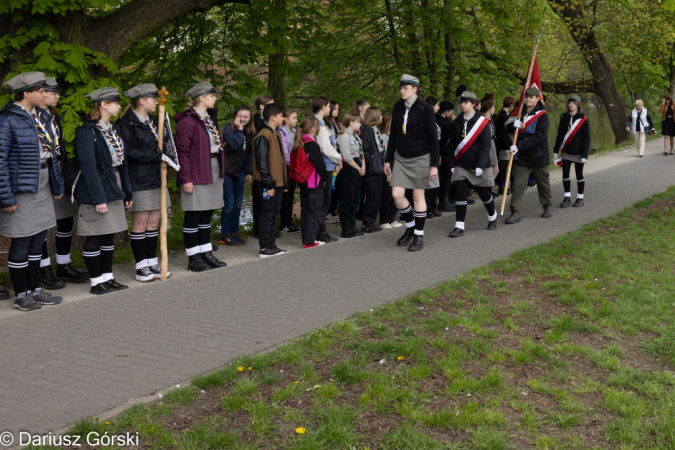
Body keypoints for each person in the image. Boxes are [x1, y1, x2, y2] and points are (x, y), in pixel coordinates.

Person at [0, 71, 65, 310]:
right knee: (22, 239)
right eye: (40, 91)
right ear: (25, 93)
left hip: (42, 181)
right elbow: (1, 160)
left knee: (38, 239)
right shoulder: (8, 119)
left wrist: (56, 184)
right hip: (21, 187)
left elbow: (51, 154)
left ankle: (34, 289)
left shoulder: (41, 117)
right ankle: (21, 295)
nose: (45, 94)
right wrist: (5, 196)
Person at [73, 87, 133, 295]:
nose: (119, 105)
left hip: (113, 183)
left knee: (108, 235)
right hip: (96, 187)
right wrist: (98, 198)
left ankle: (108, 277)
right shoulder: (86, 132)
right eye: (114, 102)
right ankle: (96, 282)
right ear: (103, 105)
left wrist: (127, 192)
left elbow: (122, 163)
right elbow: (88, 167)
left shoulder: (112, 129)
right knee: (95, 235)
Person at [37, 77, 88, 288]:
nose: (57, 96)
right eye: (52, 92)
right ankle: (42, 267)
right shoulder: (30, 117)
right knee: (39, 223)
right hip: (39, 172)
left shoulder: (54, 116)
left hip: (57, 170)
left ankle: (63, 264)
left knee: (66, 219)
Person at [117, 83, 169, 282]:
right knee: (140, 223)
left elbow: (166, 143)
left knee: (154, 223)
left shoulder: (158, 120)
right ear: (141, 101)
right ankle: (141, 266)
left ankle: (151, 261)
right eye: (152, 99)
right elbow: (128, 152)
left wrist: (166, 155)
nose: (156, 102)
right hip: (139, 178)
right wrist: (154, 155)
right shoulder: (126, 124)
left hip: (158, 177)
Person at [384, 74, 440, 252]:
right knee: (397, 195)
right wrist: (388, 160)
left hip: (421, 157)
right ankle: (410, 226)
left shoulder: (425, 108)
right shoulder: (397, 107)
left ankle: (419, 234)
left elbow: (433, 138)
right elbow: (393, 135)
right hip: (401, 157)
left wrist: (433, 165)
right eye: (401, 88)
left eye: (405, 88)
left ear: (415, 89)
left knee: (417, 196)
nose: (402, 90)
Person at [175, 81, 227, 272]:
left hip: (212, 167)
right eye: (212, 95)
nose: (215, 99)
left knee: (207, 213)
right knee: (194, 214)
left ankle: (206, 253)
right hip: (197, 171)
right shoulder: (187, 122)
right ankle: (193, 258)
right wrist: (186, 178)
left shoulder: (209, 119)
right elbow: (182, 152)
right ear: (202, 98)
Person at [447, 91, 497, 237]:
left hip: (479, 165)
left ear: (474, 104)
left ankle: (492, 216)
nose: (463, 104)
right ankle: (459, 226)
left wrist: (481, 166)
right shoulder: (456, 122)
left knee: (484, 195)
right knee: (460, 194)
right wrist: (451, 163)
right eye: (462, 101)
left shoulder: (483, 122)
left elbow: (485, 146)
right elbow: (452, 145)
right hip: (461, 164)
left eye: (467, 102)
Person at [505, 87, 552, 224]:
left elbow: (539, 137)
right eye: (527, 97)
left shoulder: (543, 116)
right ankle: (515, 211)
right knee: (518, 184)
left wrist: (518, 146)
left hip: (538, 156)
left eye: (531, 97)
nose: (528, 99)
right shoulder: (520, 113)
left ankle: (546, 205)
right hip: (522, 158)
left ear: (537, 99)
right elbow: (507, 129)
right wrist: (513, 125)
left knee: (543, 182)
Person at [252, 103, 288, 258]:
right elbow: (263, 163)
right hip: (268, 183)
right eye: (281, 116)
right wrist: (269, 184)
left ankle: (271, 244)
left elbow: (279, 161)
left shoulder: (275, 134)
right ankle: (265, 247)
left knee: (273, 213)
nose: (283, 118)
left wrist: (284, 183)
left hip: (277, 183)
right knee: (267, 214)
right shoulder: (263, 136)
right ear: (273, 118)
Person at [220, 105, 254, 246]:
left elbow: (249, 154)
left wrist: (249, 171)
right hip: (228, 171)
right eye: (240, 116)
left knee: (238, 204)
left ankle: (235, 233)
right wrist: (239, 129)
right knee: (228, 204)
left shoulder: (250, 132)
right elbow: (234, 145)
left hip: (240, 171)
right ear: (235, 116)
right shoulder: (229, 128)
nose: (243, 119)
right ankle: (225, 234)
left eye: (246, 117)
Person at [294, 117, 329, 248]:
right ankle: (309, 241)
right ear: (313, 129)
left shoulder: (300, 142)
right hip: (314, 183)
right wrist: (325, 178)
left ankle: (307, 239)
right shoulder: (312, 145)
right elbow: (320, 165)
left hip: (304, 182)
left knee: (306, 211)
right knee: (314, 212)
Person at [313, 96, 342, 243]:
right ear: (323, 107)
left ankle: (320, 230)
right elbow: (326, 147)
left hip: (325, 164)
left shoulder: (319, 123)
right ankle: (320, 232)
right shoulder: (319, 124)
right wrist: (338, 158)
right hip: (325, 165)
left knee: (324, 199)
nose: (330, 109)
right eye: (329, 106)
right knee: (324, 200)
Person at [552, 95, 591, 208]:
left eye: (573, 103)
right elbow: (560, 135)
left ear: (578, 104)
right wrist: (555, 150)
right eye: (569, 102)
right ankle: (567, 197)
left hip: (579, 152)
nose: (571, 105)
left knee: (579, 175)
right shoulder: (564, 117)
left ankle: (580, 198)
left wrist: (585, 154)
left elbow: (587, 138)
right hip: (567, 152)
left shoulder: (583, 119)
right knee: (565, 175)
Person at [336, 113, 365, 237]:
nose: (360, 124)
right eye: (358, 122)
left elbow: (361, 152)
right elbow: (347, 157)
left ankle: (352, 226)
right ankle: (346, 228)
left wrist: (363, 165)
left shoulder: (356, 137)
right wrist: (358, 167)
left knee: (356, 200)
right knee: (347, 200)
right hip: (349, 169)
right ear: (352, 122)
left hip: (357, 167)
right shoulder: (343, 136)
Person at [360, 107, 386, 233]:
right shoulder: (368, 132)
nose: (382, 118)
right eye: (380, 115)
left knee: (377, 197)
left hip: (378, 167)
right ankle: (367, 223)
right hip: (372, 169)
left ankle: (371, 221)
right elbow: (365, 150)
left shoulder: (375, 131)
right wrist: (370, 163)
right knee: (372, 197)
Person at [279, 108, 299, 234]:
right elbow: (285, 152)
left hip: (294, 168)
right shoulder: (282, 133)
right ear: (286, 119)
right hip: (287, 167)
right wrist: (291, 165)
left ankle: (289, 222)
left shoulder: (294, 132)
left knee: (291, 195)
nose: (296, 120)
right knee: (286, 196)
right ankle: (284, 223)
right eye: (294, 118)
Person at [378, 112, 400, 228]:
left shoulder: (397, 135)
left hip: (398, 164)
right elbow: (384, 155)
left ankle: (392, 217)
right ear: (387, 123)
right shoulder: (382, 137)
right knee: (386, 195)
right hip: (388, 165)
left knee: (396, 194)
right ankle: (384, 220)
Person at [494, 97, 515, 196]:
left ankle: (504, 186)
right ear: (511, 105)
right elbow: (502, 134)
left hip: (505, 145)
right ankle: (501, 187)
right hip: (504, 146)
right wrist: (506, 147)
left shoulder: (504, 115)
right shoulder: (503, 116)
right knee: (503, 168)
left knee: (506, 167)